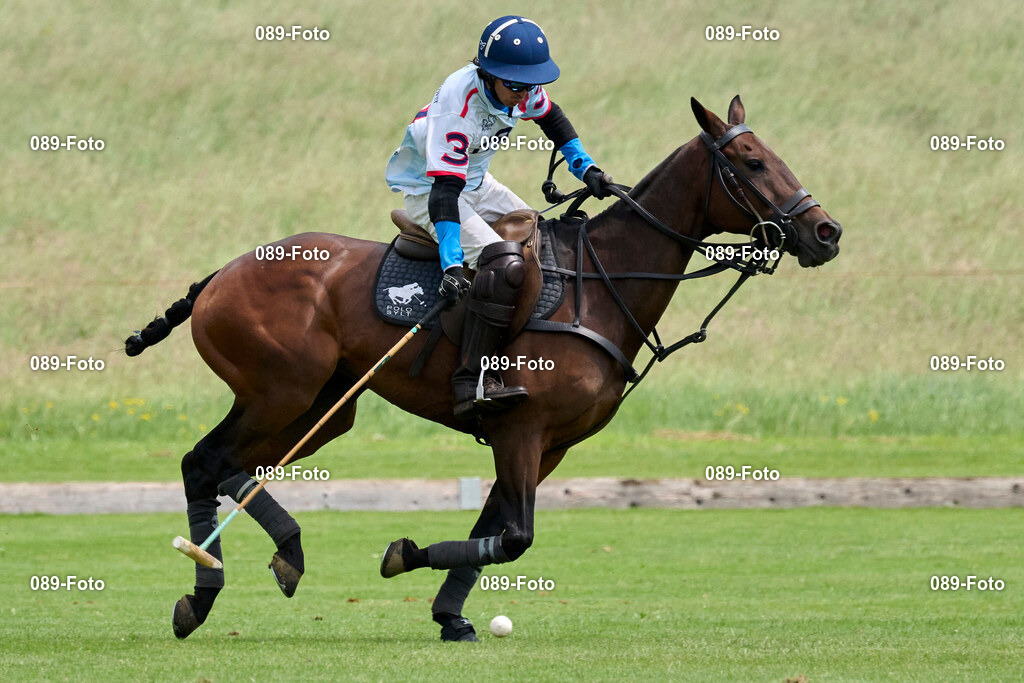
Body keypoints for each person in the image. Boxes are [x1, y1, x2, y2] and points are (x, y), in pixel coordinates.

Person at [386, 15, 611, 419]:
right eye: (515, 86)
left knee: (538, 241)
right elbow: (444, 195)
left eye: (529, 85)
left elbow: (552, 119)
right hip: (429, 190)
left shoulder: (517, 87)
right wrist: (452, 262)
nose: (523, 95)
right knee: (503, 263)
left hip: (476, 182)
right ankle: (470, 379)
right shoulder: (458, 111)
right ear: (488, 75)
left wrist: (586, 167)